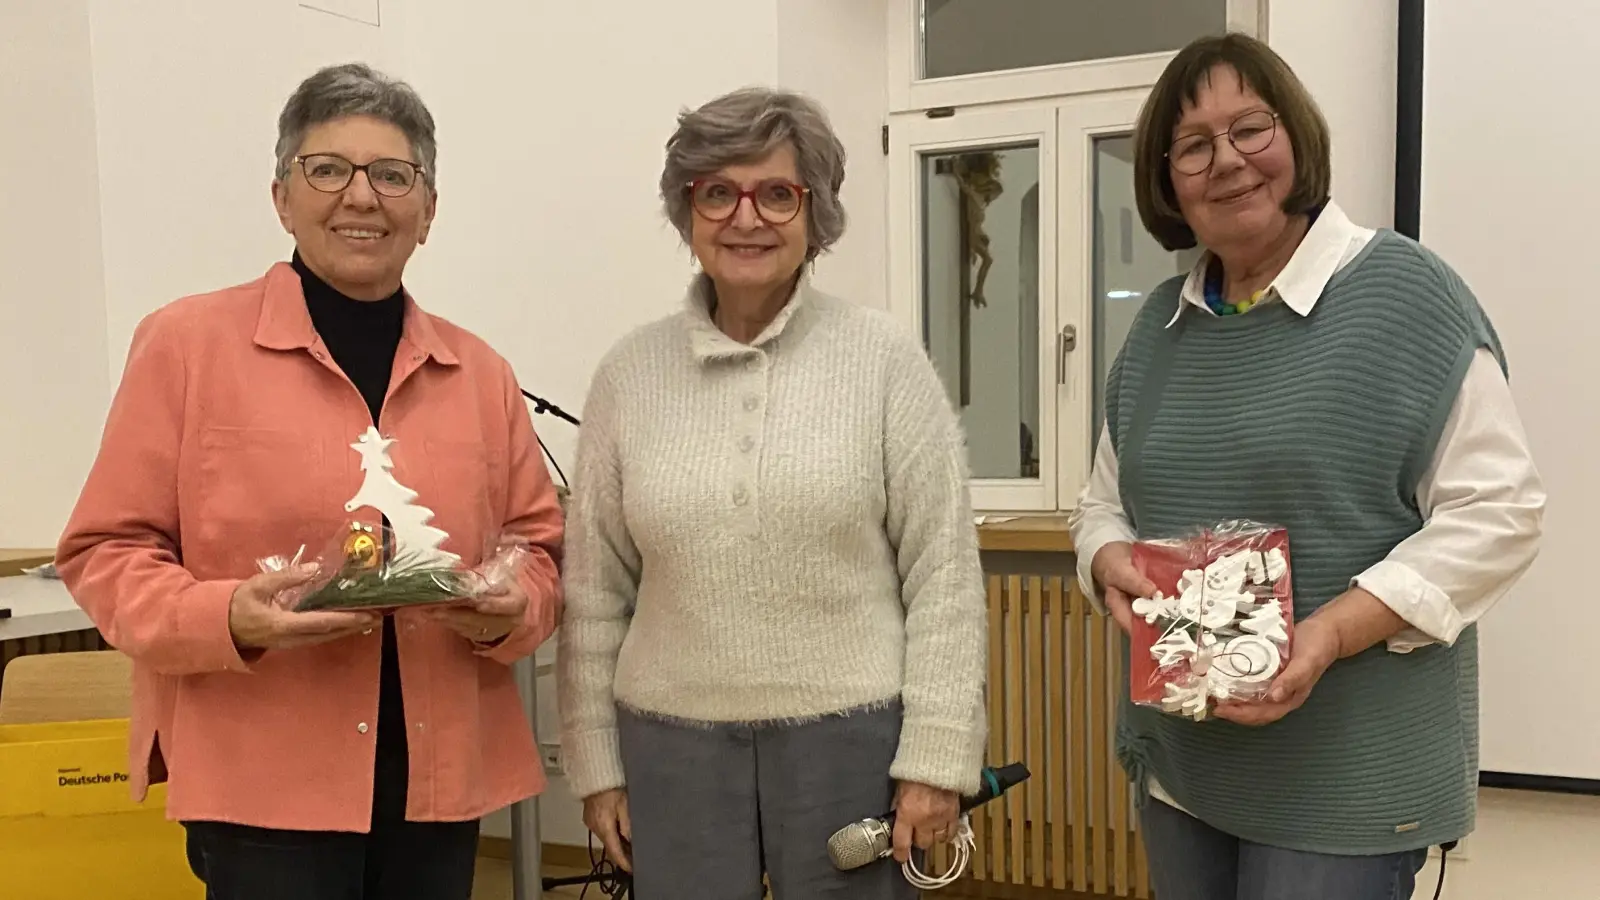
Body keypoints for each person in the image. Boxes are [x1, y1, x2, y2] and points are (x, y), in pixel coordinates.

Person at [54, 63, 563, 900]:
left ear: (428, 211)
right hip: (262, 776)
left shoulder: (481, 373)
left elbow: (538, 549)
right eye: (327, 169)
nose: (361, 197)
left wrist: (514, 606)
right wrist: (226, 616)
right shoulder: (185, 347)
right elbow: (105, 552)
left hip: (438, 780)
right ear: (282, 197)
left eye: (392, 175)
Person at [1066, 33, 1545, 900]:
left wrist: (1329, 633)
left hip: (1347, 781)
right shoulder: (1154, 335)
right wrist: (1109, 562)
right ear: (1166, 179)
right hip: (1184, 766)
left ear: (1297, 137)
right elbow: (1102, 504)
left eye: (1251, 128)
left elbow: (1500, 514)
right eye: (1194, 146)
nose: (1228, 162)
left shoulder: (1408, 296)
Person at [556, 86, 988, 898]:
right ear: (686, 211)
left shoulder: (885, 359)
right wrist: (596, 764)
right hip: (670, 746)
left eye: (775, 194)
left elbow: (945, 578)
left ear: (815, 212)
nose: (744, 217)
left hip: (851, 743)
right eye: (716, 192)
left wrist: (936, 755)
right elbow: (594, 589)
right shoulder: (628, 374)